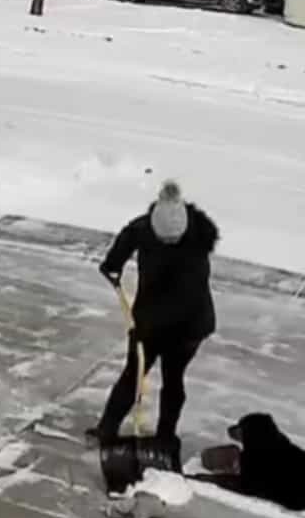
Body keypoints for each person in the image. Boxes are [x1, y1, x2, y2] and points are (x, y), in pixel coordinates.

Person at [88, 180, 219, 444]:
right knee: (135, 374)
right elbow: (129, 236)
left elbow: (178, 303)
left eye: (174, 238)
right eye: (164, 238)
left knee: (169, 377)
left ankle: (164, 437)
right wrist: (112, 264)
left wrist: (143, 330)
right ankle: (107, 429)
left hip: (186, 325)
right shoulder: (146, 228)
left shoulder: (195, 248)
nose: (169, 241)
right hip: (156, 320)